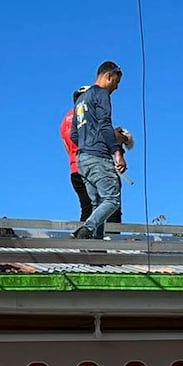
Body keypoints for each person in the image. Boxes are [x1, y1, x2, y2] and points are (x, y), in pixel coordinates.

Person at [70, 61, 127, 240]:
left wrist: (88, 142)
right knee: (112, 200)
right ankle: (86, 229)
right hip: (98, 157)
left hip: (82, 159)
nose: (116, 88)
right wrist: (117, 153)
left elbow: (74, 134)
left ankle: (96, 249)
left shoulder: (80, 100)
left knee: (97, 205)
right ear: (108, 76)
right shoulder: (101, 94)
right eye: (116, 82)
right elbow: (105, 124)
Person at [60, 86, 93, 222]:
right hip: (90, 167)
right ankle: (111, 239)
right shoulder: (86, 116)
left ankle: (83, 239)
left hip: (74, 168)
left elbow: (67, 148)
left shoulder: (65, 121)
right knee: (108, 205)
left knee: (86, 208)